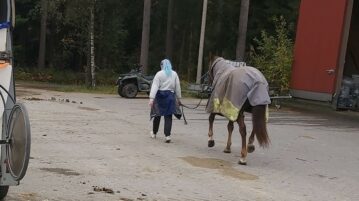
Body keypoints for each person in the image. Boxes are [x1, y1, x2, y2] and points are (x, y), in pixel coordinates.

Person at [149, 59, 182, 143]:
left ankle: (154, 133)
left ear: (161, 65)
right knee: (168, 116)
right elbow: (177, 87)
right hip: (170, 96)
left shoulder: (159, 74)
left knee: (157, 115)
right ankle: (167, 135)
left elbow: (155, 86)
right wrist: (179, 98)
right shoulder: (174, 74)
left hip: (160, 96)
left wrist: (151, 98)